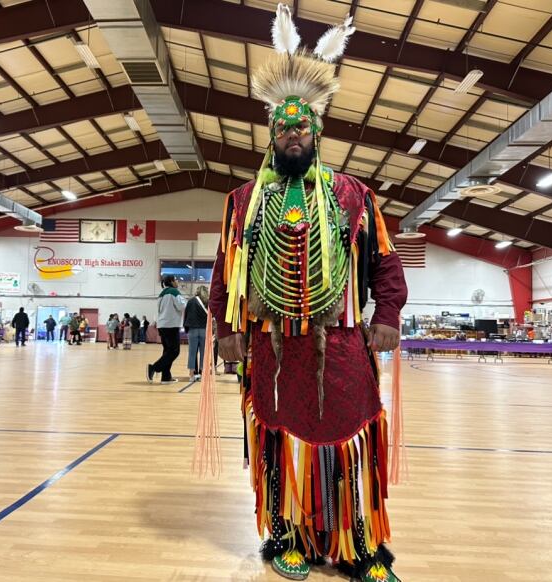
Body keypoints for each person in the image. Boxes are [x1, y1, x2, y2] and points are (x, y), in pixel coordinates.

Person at [208, 10, 407, 580]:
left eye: (302, 126)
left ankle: (359, 544)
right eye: (283, 126)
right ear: (272, 133)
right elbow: (227, 272)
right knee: (280, 441)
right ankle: (289, 536)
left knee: (351, 440)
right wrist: (226, 331)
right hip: (272, 348)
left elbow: (386, 263)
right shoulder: (243, 202)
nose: (293, 133)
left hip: (343, 343)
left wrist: (387, 312)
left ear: (316, 132)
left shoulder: (353, 195)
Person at [147, 275, 186, 384]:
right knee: (174, 351)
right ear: (172, 281)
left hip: (162, 325)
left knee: (167, 351)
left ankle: (166, 377)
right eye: (176, 279)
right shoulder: (174, 292)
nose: (177, 281)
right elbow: (182, 306)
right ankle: (154, 367)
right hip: (171, 325)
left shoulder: (161, 294)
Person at [184, 285, 209, 381]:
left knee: (192, 352)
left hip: (192, 329)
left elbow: (186, 315)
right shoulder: (207, 302)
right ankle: (202, 373)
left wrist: (186, 328)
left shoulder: (190, 301)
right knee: (203, 352)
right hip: (204, 329)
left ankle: (191, 374)